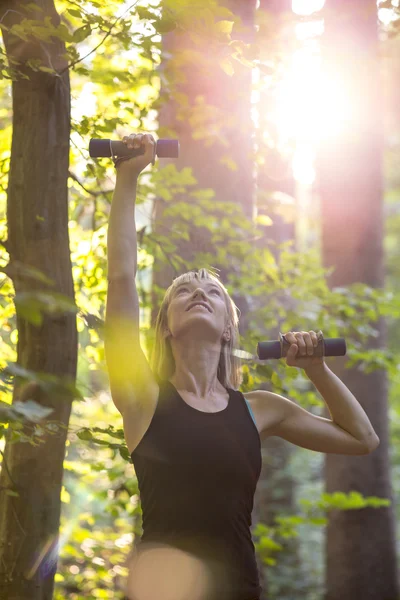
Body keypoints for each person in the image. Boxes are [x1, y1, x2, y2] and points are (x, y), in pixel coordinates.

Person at [105, 133, 380, 600]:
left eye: (212, 292)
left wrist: (316, 369)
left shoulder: (260, 409)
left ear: (228, 327)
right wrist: (128, 177)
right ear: (167, 327)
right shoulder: (142, 398)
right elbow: (121, 276)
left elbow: (362, 440)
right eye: (184, 292)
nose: (199, 293)